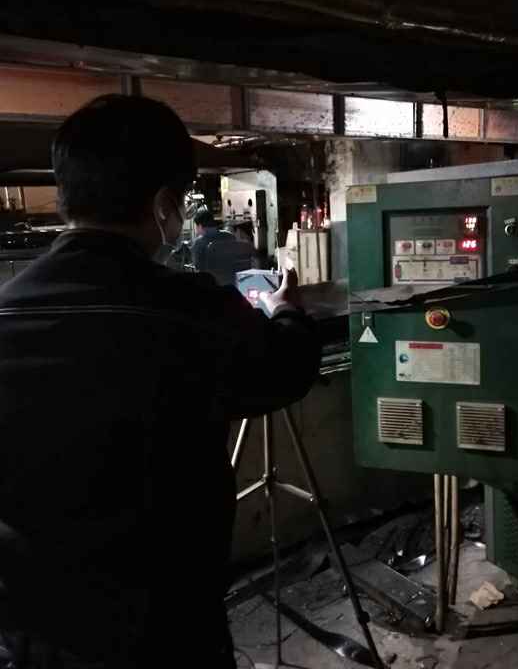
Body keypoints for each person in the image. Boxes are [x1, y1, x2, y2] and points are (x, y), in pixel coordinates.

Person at [0, 94, 320, 668]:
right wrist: (284, 312)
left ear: (65, 192)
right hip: (167, 626)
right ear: (163, 205)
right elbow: (283, 371)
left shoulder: (6, 311)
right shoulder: (191, 310)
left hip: (36, 631)